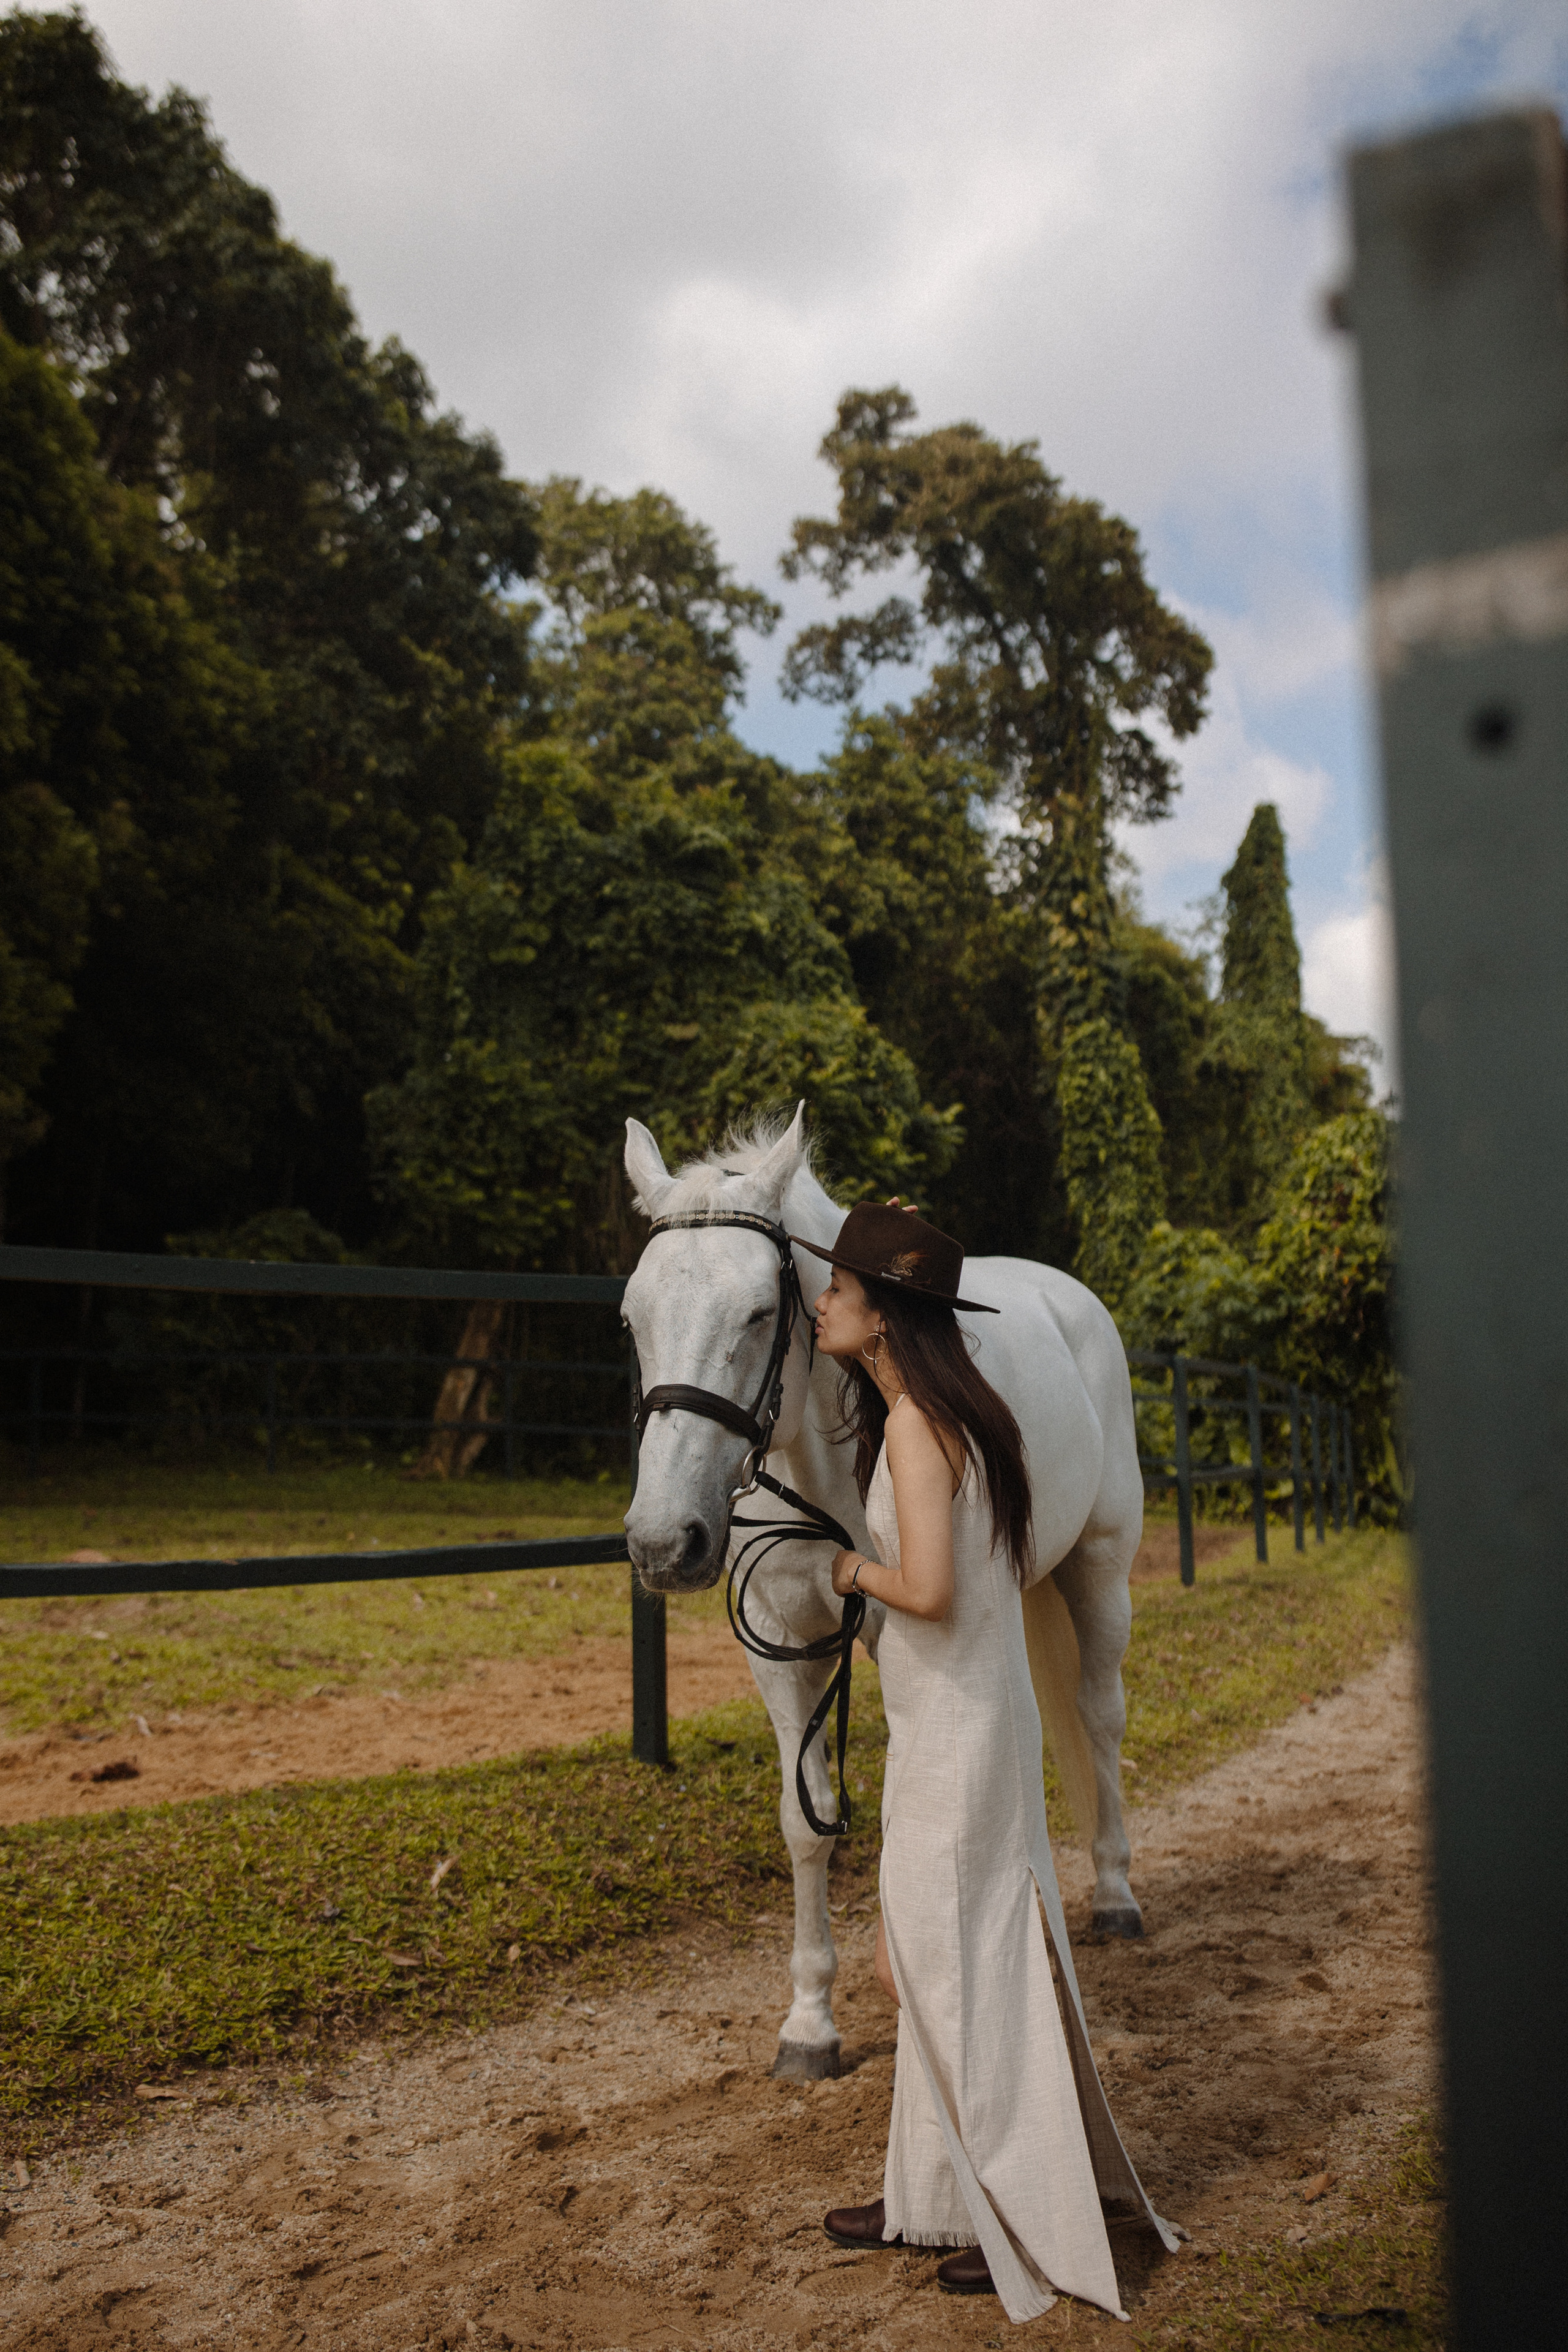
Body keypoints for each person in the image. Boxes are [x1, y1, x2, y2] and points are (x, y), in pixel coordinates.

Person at [793, 1197, 1152, 2323]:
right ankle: (933, 2198)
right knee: (943, 1957)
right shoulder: (946, 1412)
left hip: (954, 1726)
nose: (821, 1304)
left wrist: (849, 1576)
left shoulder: (911, 1431)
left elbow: (935, 1593)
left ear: (885, 1317)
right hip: (957, 1715)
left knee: (933, 1964)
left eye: (839, 1292)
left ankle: (1021, 2210)